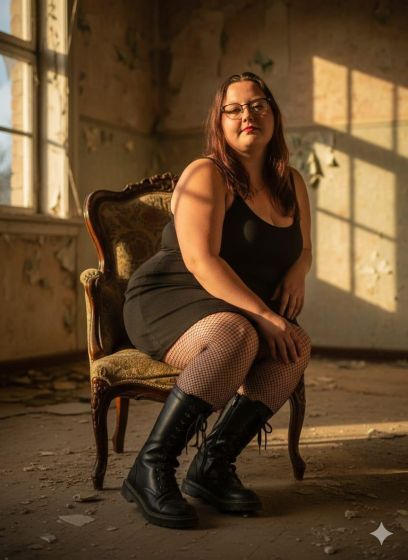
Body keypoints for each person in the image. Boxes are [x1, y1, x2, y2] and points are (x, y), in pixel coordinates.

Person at [121, 71, 312, 529]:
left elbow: (304, 248)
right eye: (234, 109)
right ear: (219, 122)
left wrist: (298, 271)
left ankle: (212, 465)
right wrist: (263, 314)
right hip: (169, 298)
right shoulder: (207, 173)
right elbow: (201, 261)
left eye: (258, 104)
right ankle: (150, 467)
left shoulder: (291, 183)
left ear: (274, 115)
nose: (248, 115)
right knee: (236, 335)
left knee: (296, 345)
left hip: (230, 304)